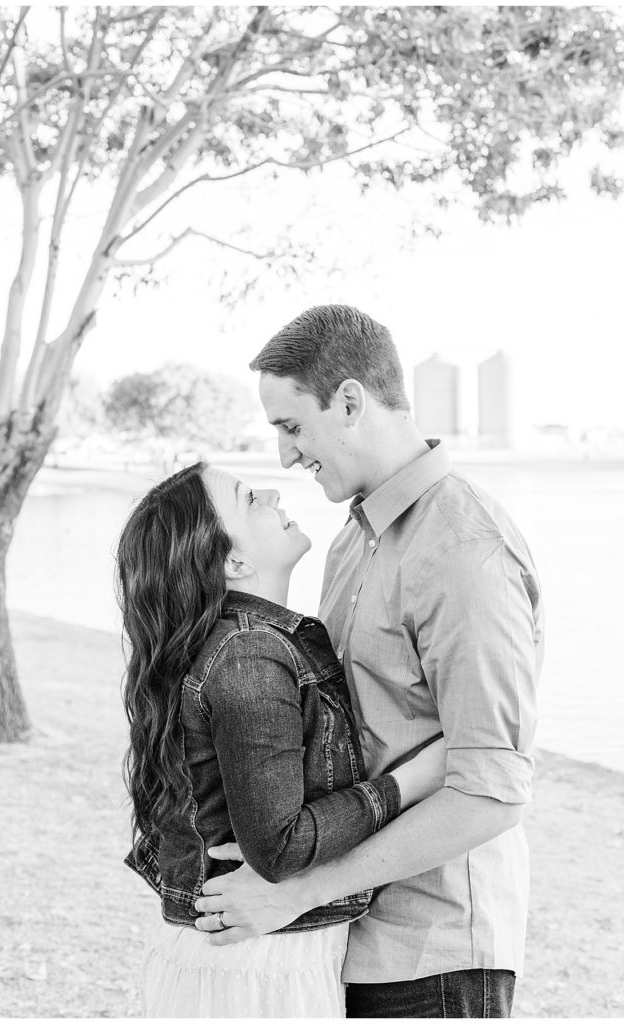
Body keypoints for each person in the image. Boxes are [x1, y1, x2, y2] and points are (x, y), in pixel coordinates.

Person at [195, 305, 544, 1019]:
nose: (287, 457)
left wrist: (299, 890)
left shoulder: (465, 553)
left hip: (436, 956)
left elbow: (493, 790)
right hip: (346, 941)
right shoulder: (352, 541)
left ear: (350, 401)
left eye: (291, 427)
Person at [117, 460, 447, 1018]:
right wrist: (415, 779)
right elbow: (281, 847)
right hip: (254, 966)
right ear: (233, 560)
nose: (272, 491)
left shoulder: (246, 646)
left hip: (251, 956)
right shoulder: (250, 655)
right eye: (249, 499)